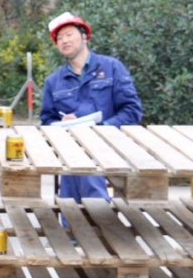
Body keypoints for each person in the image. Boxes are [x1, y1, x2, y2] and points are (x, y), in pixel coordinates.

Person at [40, 12, 143, 203]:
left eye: (69, 34)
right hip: (71, 147)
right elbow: (47, 121)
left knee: (81, 163)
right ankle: (90, 221)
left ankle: (75, 224)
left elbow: (132, 111)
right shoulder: (54, 81)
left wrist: (102, 128)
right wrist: (60, 123)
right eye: (59, 38)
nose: (64, 41)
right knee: (77, 159)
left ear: (84, 36)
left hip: (110, 145)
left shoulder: (112, 67)